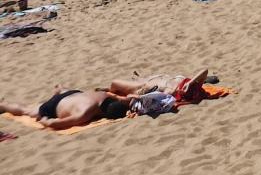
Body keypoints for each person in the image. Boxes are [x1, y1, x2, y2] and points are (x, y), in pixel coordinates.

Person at [0, 89, 130, 130]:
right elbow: (53, 124)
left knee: (71, 95)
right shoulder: (85, 113)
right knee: (27, 110)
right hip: (55, 106)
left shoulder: (106, 95)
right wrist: (42, 120)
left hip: (74, 93)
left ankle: (61, 89)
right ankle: (3, 105)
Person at [107, 69, 210, 103]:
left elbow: (148, 98)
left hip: (141, 87)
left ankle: (111, 93)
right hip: (153, 78)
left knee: (114, 83)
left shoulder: (170, 93)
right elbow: (205, 70)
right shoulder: (186, 82)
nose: (184, 88)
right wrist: (190, 83)